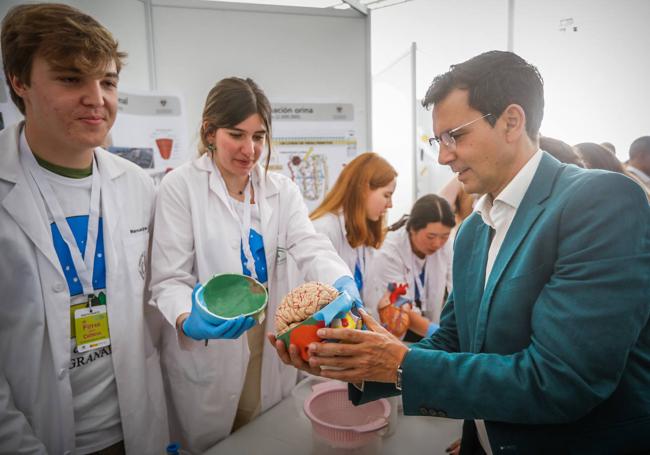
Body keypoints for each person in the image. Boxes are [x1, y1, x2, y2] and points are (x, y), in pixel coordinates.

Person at [273, 50, 650, 454]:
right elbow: (454, 342)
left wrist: (398, 361)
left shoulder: (598, 202)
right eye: (438, 140)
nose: (442, 155)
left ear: (511, 121)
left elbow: (562, 379)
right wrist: (356, 360)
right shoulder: (472, 231)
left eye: (456, 135)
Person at [149, 77, 355, 453]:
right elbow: (169, 279)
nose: (250, 149)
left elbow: (308, 244)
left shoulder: (280, 189)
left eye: (258, 136)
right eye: (236, 135)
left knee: (263, 434)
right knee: (217, 442)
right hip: (211, 343)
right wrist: (188, 319)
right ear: (209, 132)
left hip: (267, 341)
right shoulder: (180, 188)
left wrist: (340, 279)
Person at [0, 4, 168, 454]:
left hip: (133, 428)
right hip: (32, 433)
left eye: (108, 82)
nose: (97, 98)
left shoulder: (137, 185)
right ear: (20, 82)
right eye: (71, 78)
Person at [308, 152, 397, 308]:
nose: (390, 205)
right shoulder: (323, 230)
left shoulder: (361, 235)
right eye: (387, 195)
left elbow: (364, 300)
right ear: (364, 189)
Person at [367, 194, 455, 341]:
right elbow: (399, 305)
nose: (437, 244)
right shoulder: (390, 251)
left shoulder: (447, 247)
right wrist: (439, 335)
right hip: (395, 330)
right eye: (431, 237)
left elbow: (456, 290)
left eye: (444, 236)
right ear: (413, 229)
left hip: (428, 326)